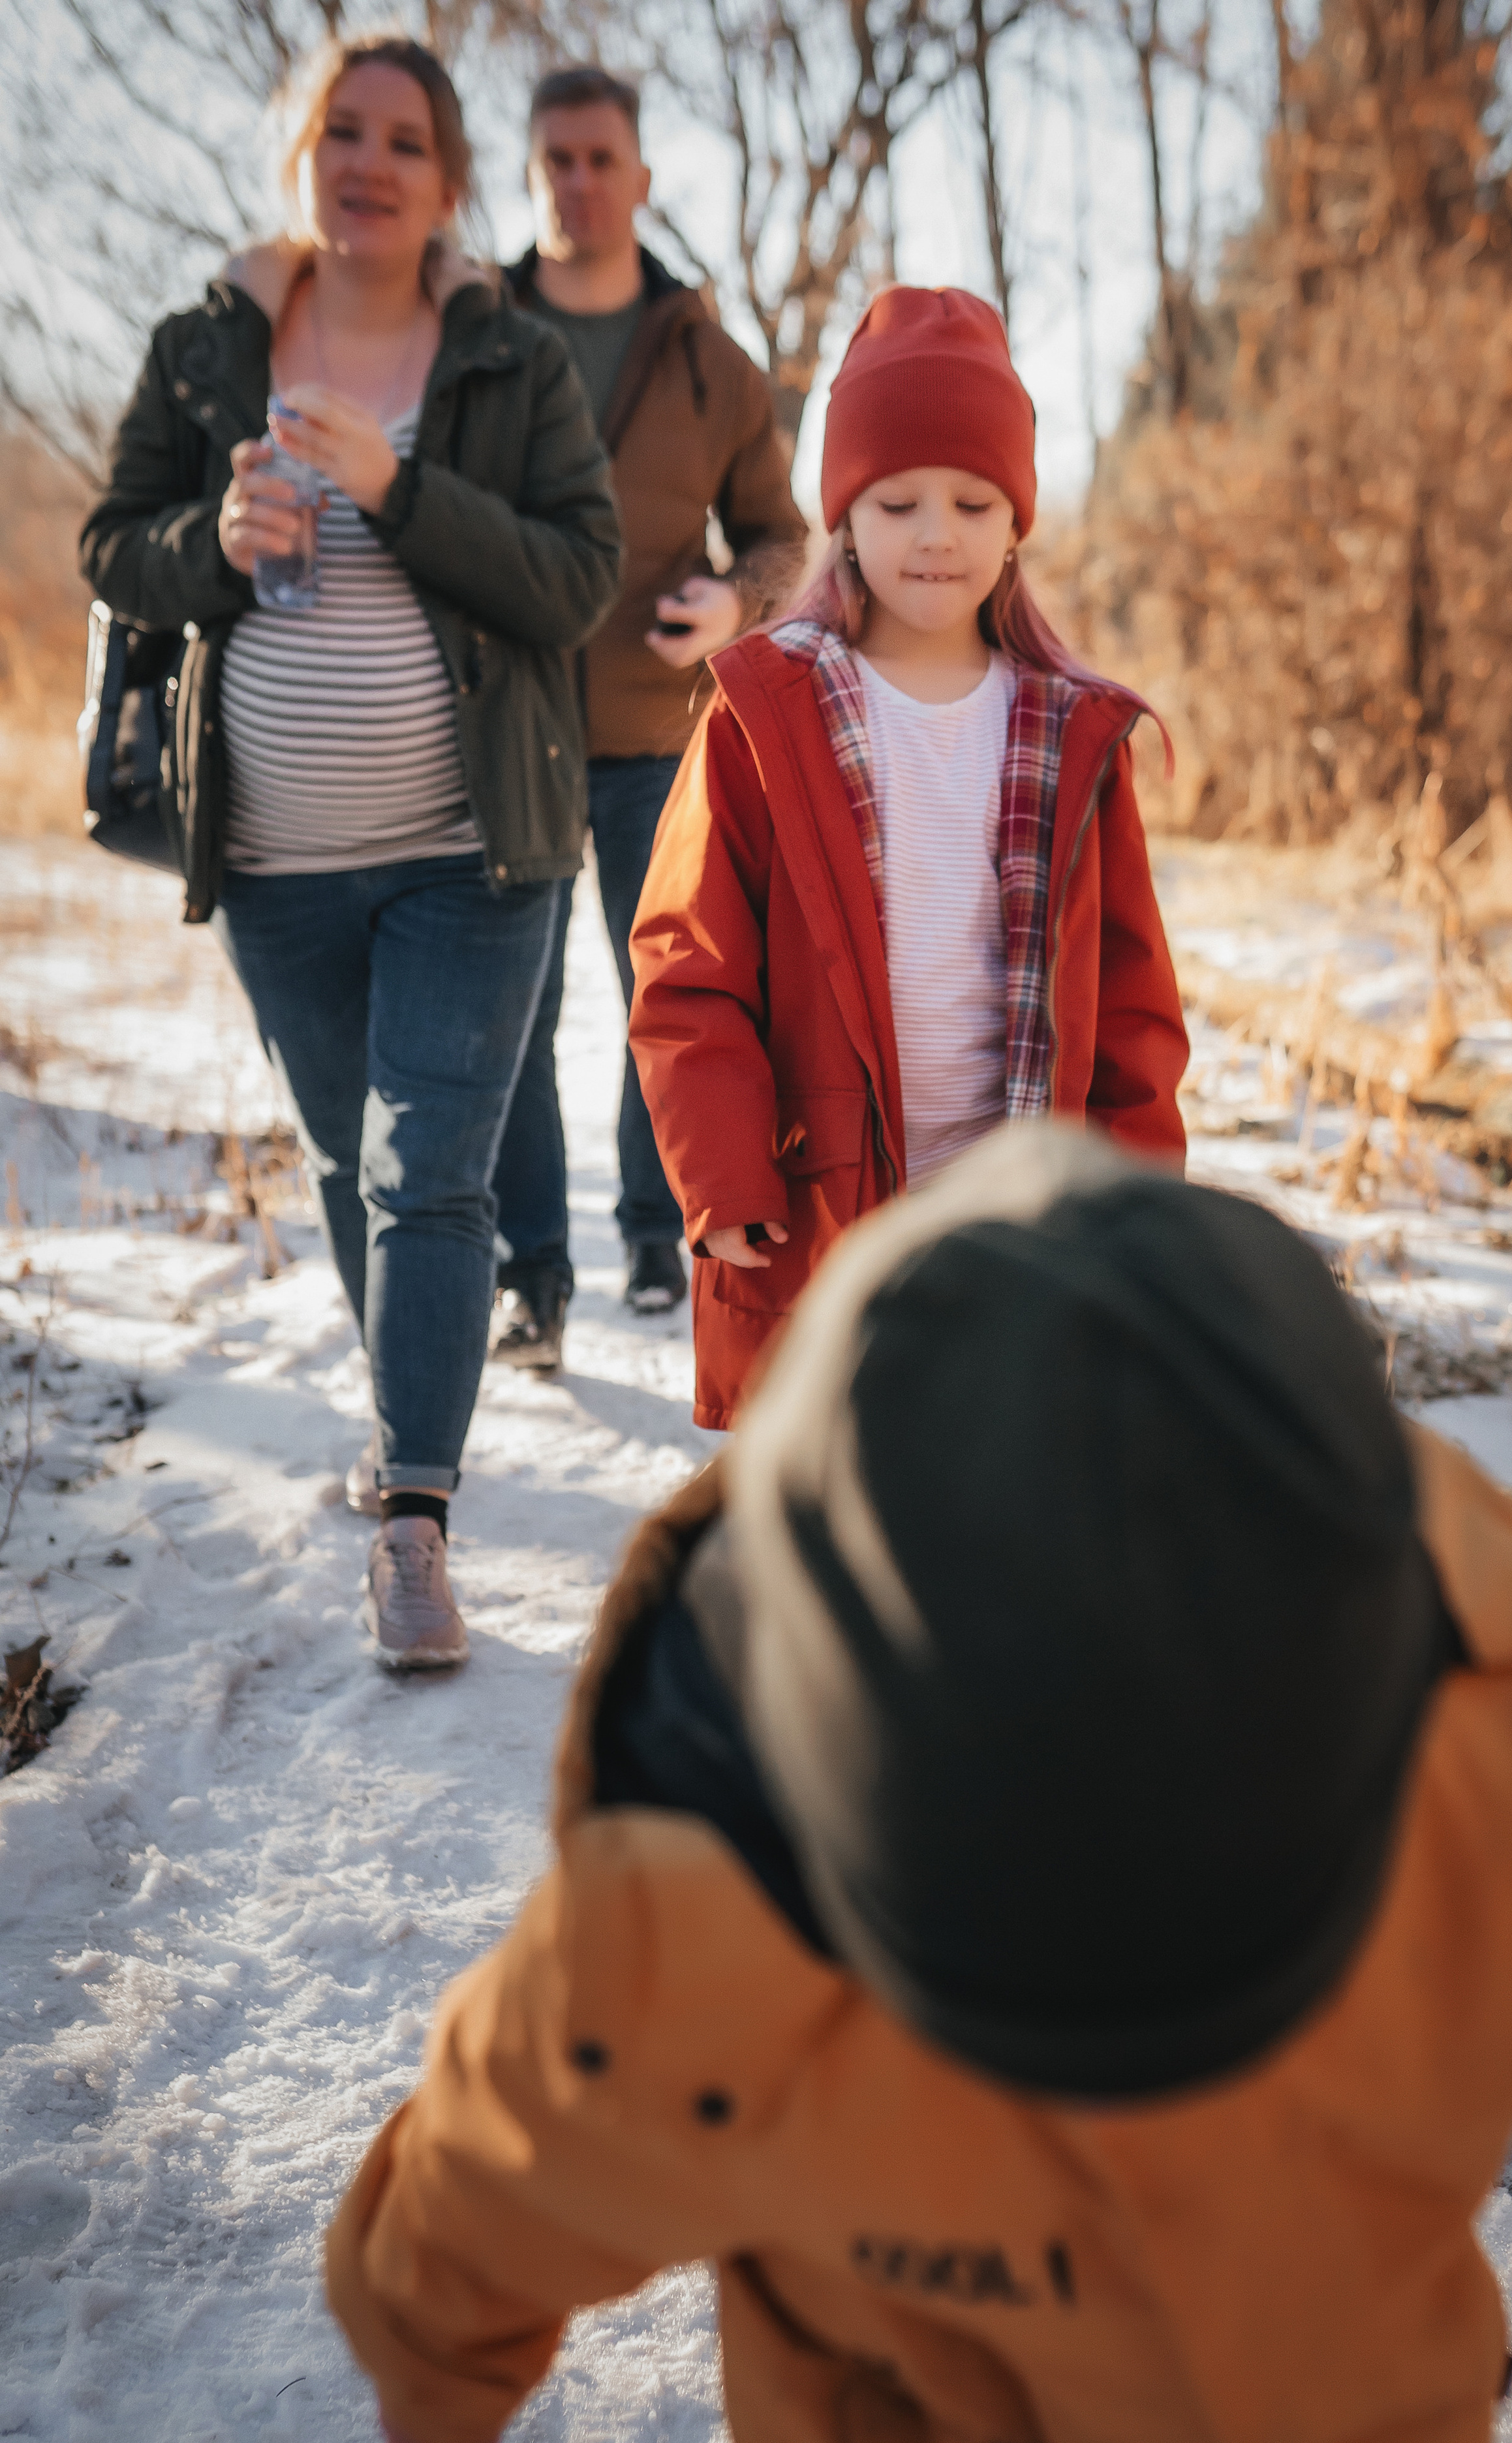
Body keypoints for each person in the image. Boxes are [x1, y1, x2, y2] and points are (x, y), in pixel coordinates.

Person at [324, 1118, 1512, 2443]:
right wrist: (432, 2343)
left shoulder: (1497, 1722)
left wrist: (433, 2351)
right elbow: (512, 2148)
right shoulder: (704, 1900)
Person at [81, 35, 621, 1672]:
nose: (368, 162)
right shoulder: (200, 349)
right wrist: (214, 543)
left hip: (473, 849)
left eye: (405, 141)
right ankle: (405, 1420)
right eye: (342, 132)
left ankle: (414, 1521)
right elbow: (115, 547)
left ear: (452, 184)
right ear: (300, 154)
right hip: (273, 859)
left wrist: (397, 489)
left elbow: (574, 577)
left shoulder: (508, 362)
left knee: (429, 1173)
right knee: (344, 1155)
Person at [627, 284, 1188, 1430]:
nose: (938, 533)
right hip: (819, 1202)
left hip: (1024, 1202)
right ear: (844, 517)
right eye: (898, 502)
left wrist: (1140, 1214)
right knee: (840, 1492)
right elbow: (690, 965)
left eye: (975, 502)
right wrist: (724, 1173)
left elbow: (1133, 1006)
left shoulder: (1068, 733)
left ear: (1018, 522)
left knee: (1000, 1491)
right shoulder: (765, 713)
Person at [487, 65, 807, 1360]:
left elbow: (783, 539)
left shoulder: (710, 363)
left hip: (655, 737)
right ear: (530, 174)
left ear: (641, 177)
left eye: (599, 159)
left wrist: (736, 605)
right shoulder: (473, 334)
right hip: (497, 737)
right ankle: (531, 1274)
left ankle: (643, 1227)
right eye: (554, 159)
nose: (577, 182)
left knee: (654, 997)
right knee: (503, 1011)